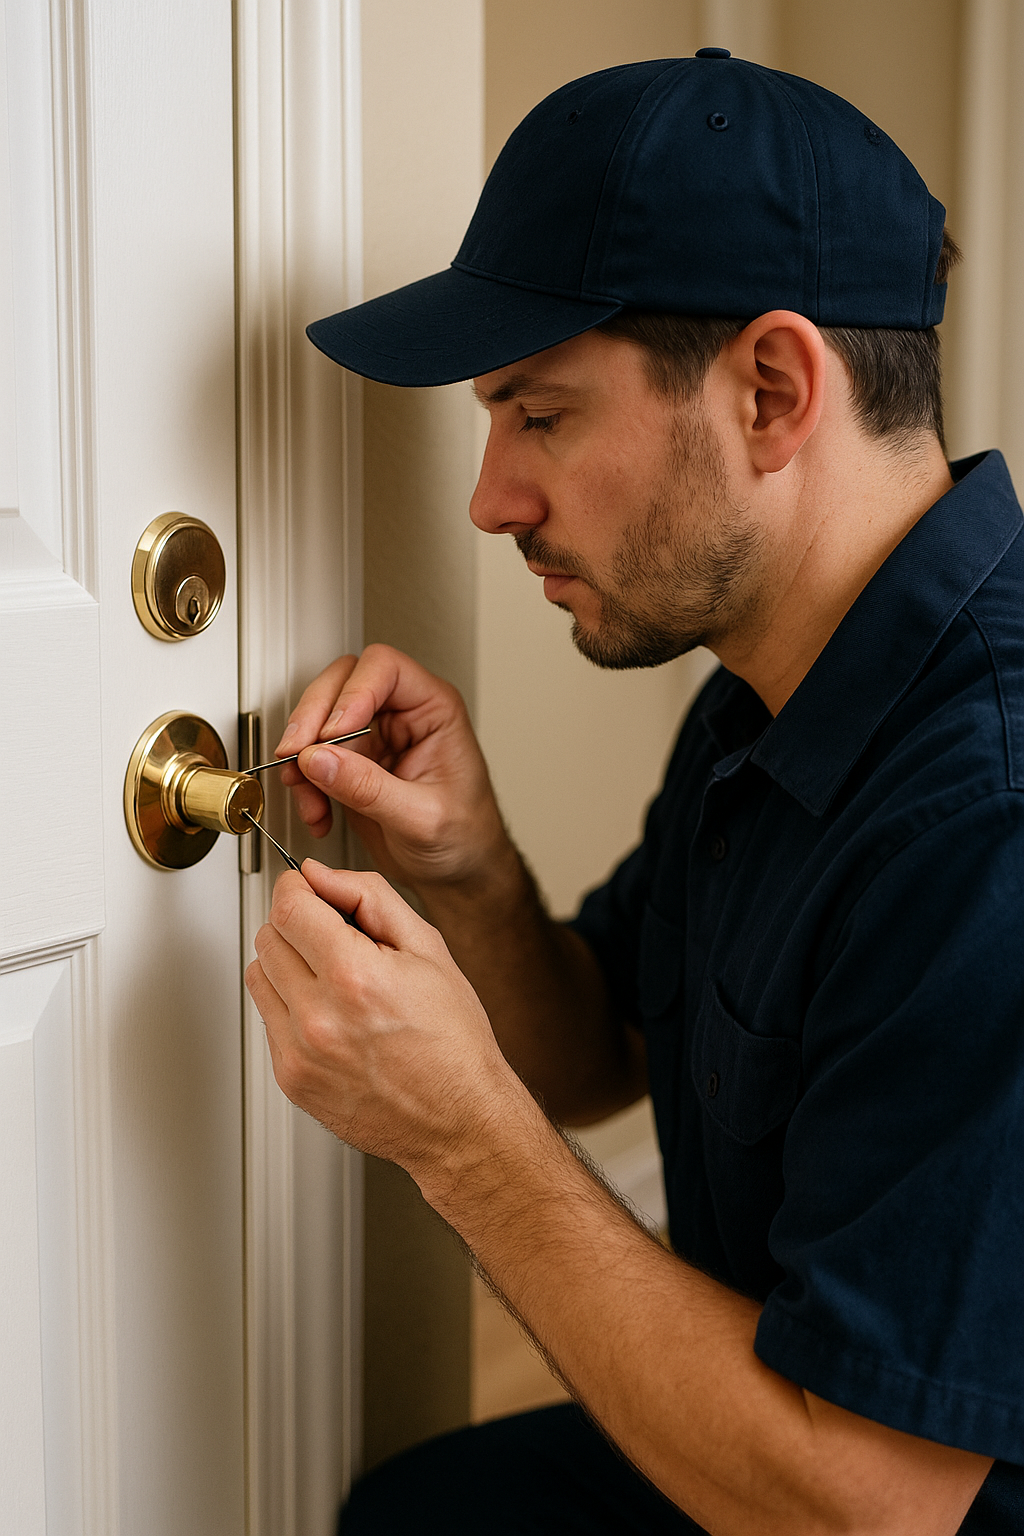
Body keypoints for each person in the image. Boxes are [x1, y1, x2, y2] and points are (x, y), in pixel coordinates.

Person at [244, 53, 1024, 1534]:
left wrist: (464, 1146)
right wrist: (471, 869)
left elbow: (864, 1505)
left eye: (539, 413)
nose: (489, 499)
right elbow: (608, 1051)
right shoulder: (780, 682)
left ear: (775, 391)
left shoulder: (990, 812)